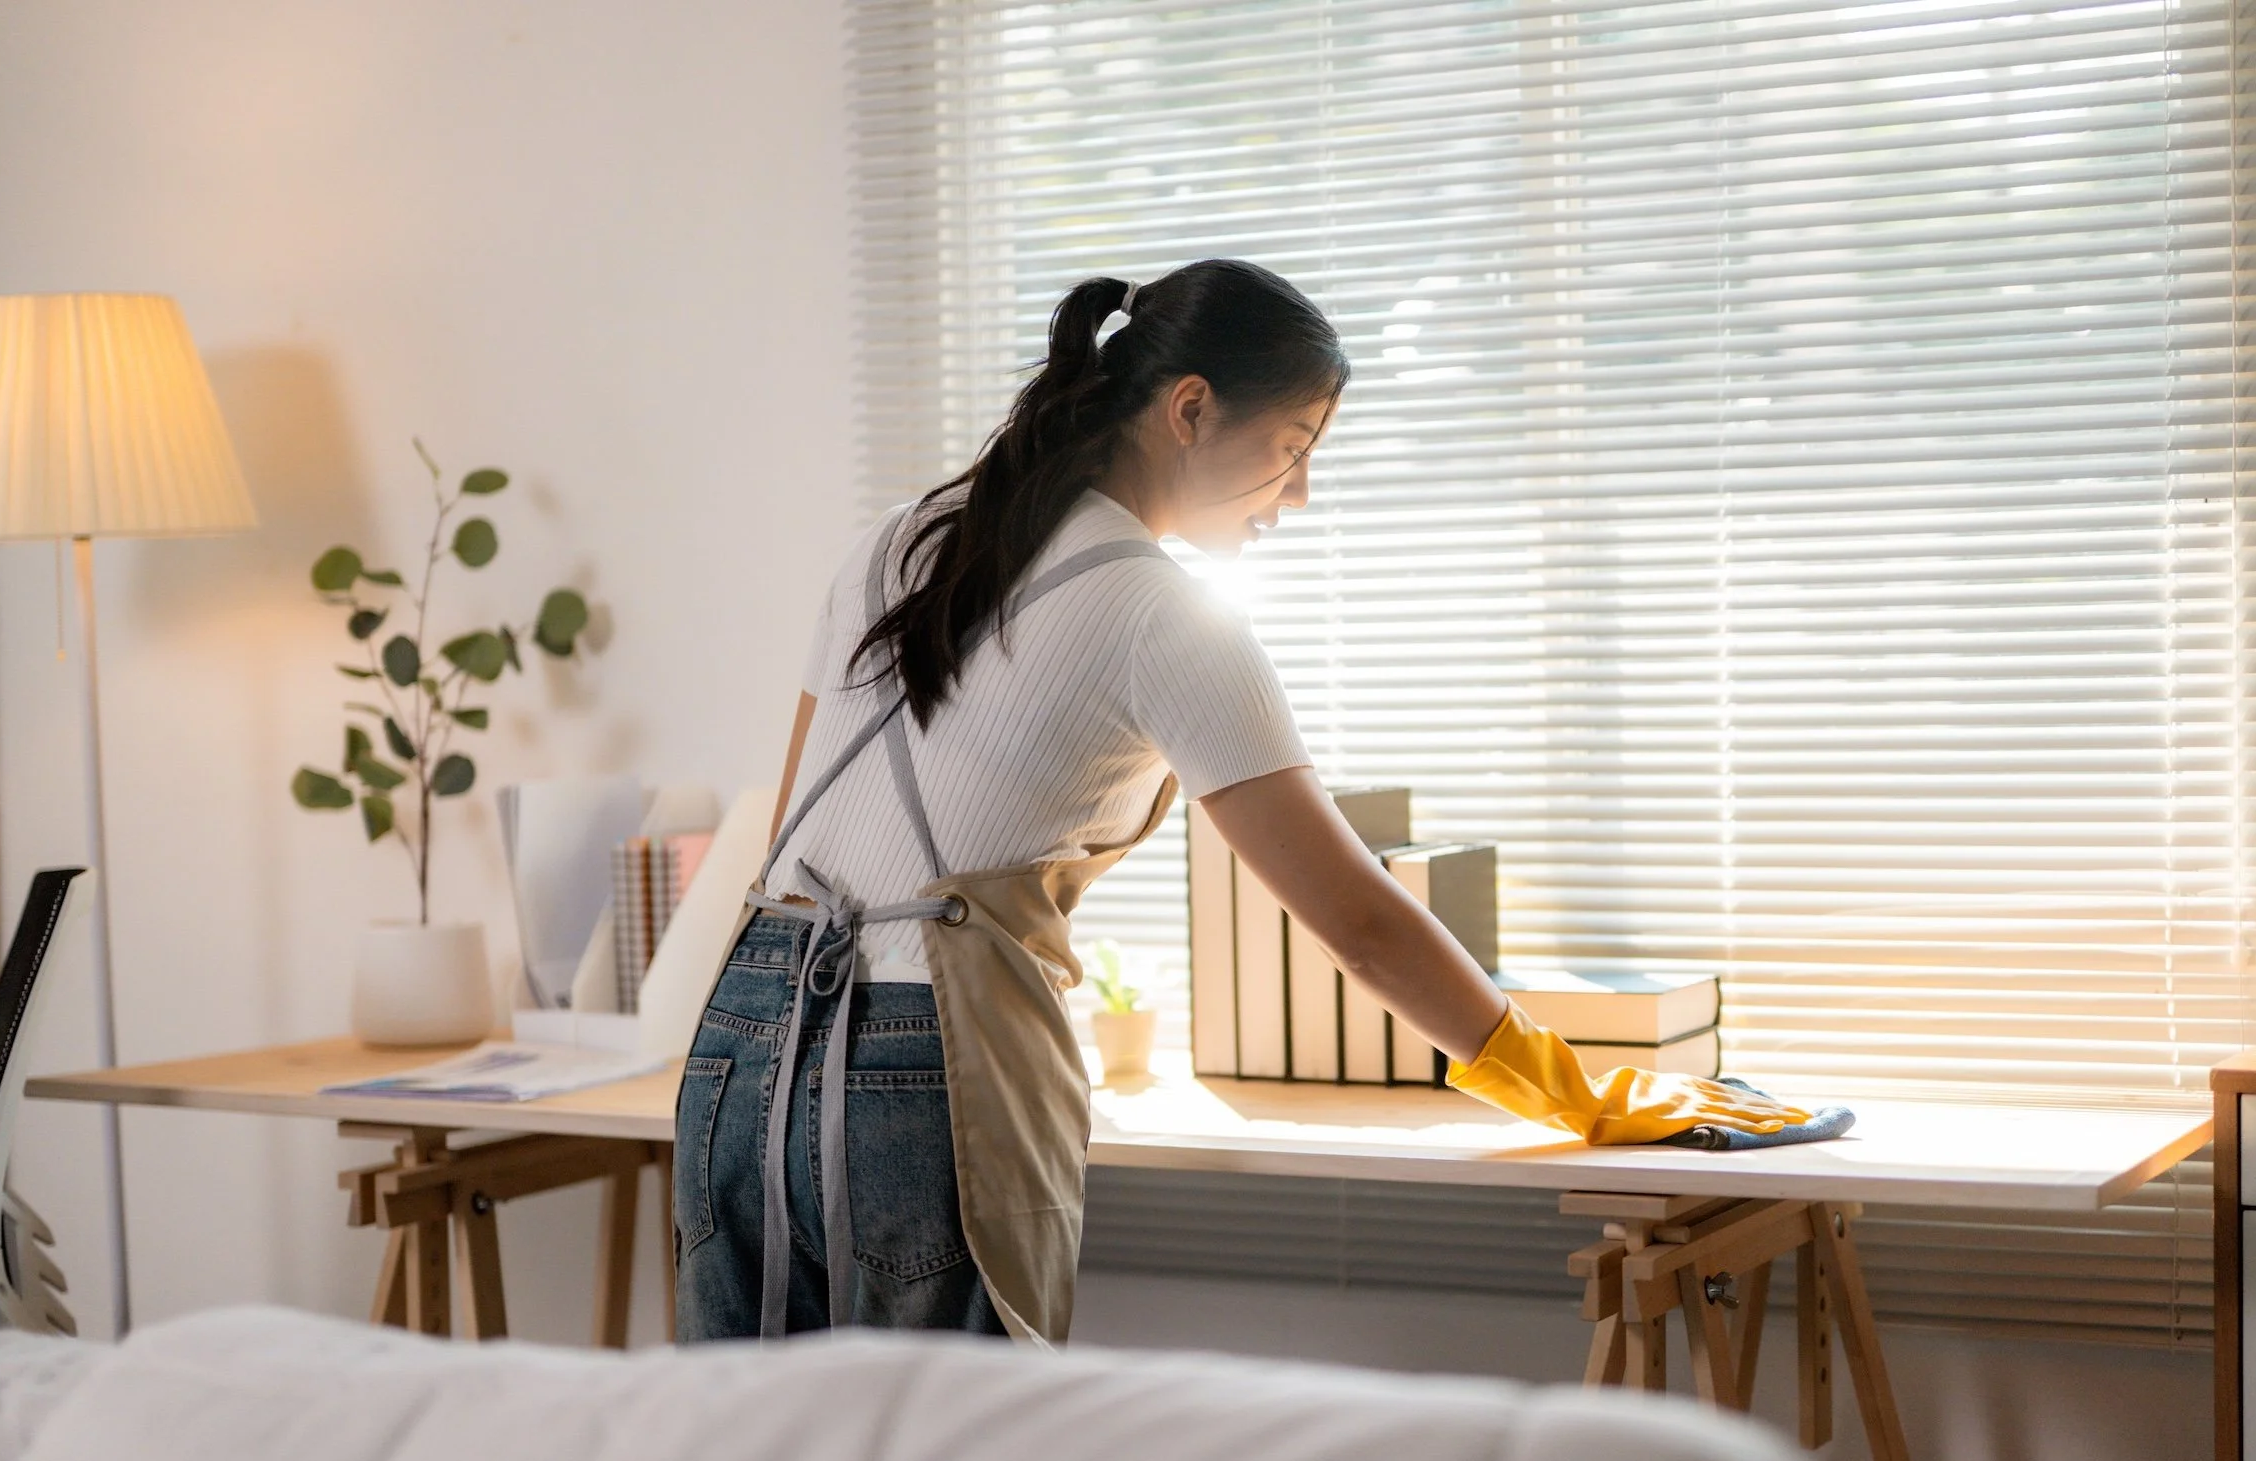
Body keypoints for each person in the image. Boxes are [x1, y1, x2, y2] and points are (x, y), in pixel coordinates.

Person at [674, 258, 1830, 1347]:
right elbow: (1361, 925)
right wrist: (1567, 1086)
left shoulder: (896, 540)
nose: (1300, 492)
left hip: (736, 1046)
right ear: (1188, 410)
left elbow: (790, 836)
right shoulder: (1162, 615)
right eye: (1291, 446)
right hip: (920, 1068)